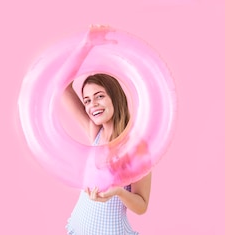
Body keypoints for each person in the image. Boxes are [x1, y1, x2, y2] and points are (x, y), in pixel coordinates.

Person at [61, 25, 152, 235]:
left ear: (115, 97)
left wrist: (118, 191)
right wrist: (86, 45)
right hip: (79, 226)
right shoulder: (96, 133)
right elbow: (62, 85)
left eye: (100, 96)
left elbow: (142, 205)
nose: (93, 105)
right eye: (87, 100)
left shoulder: (136, 147)